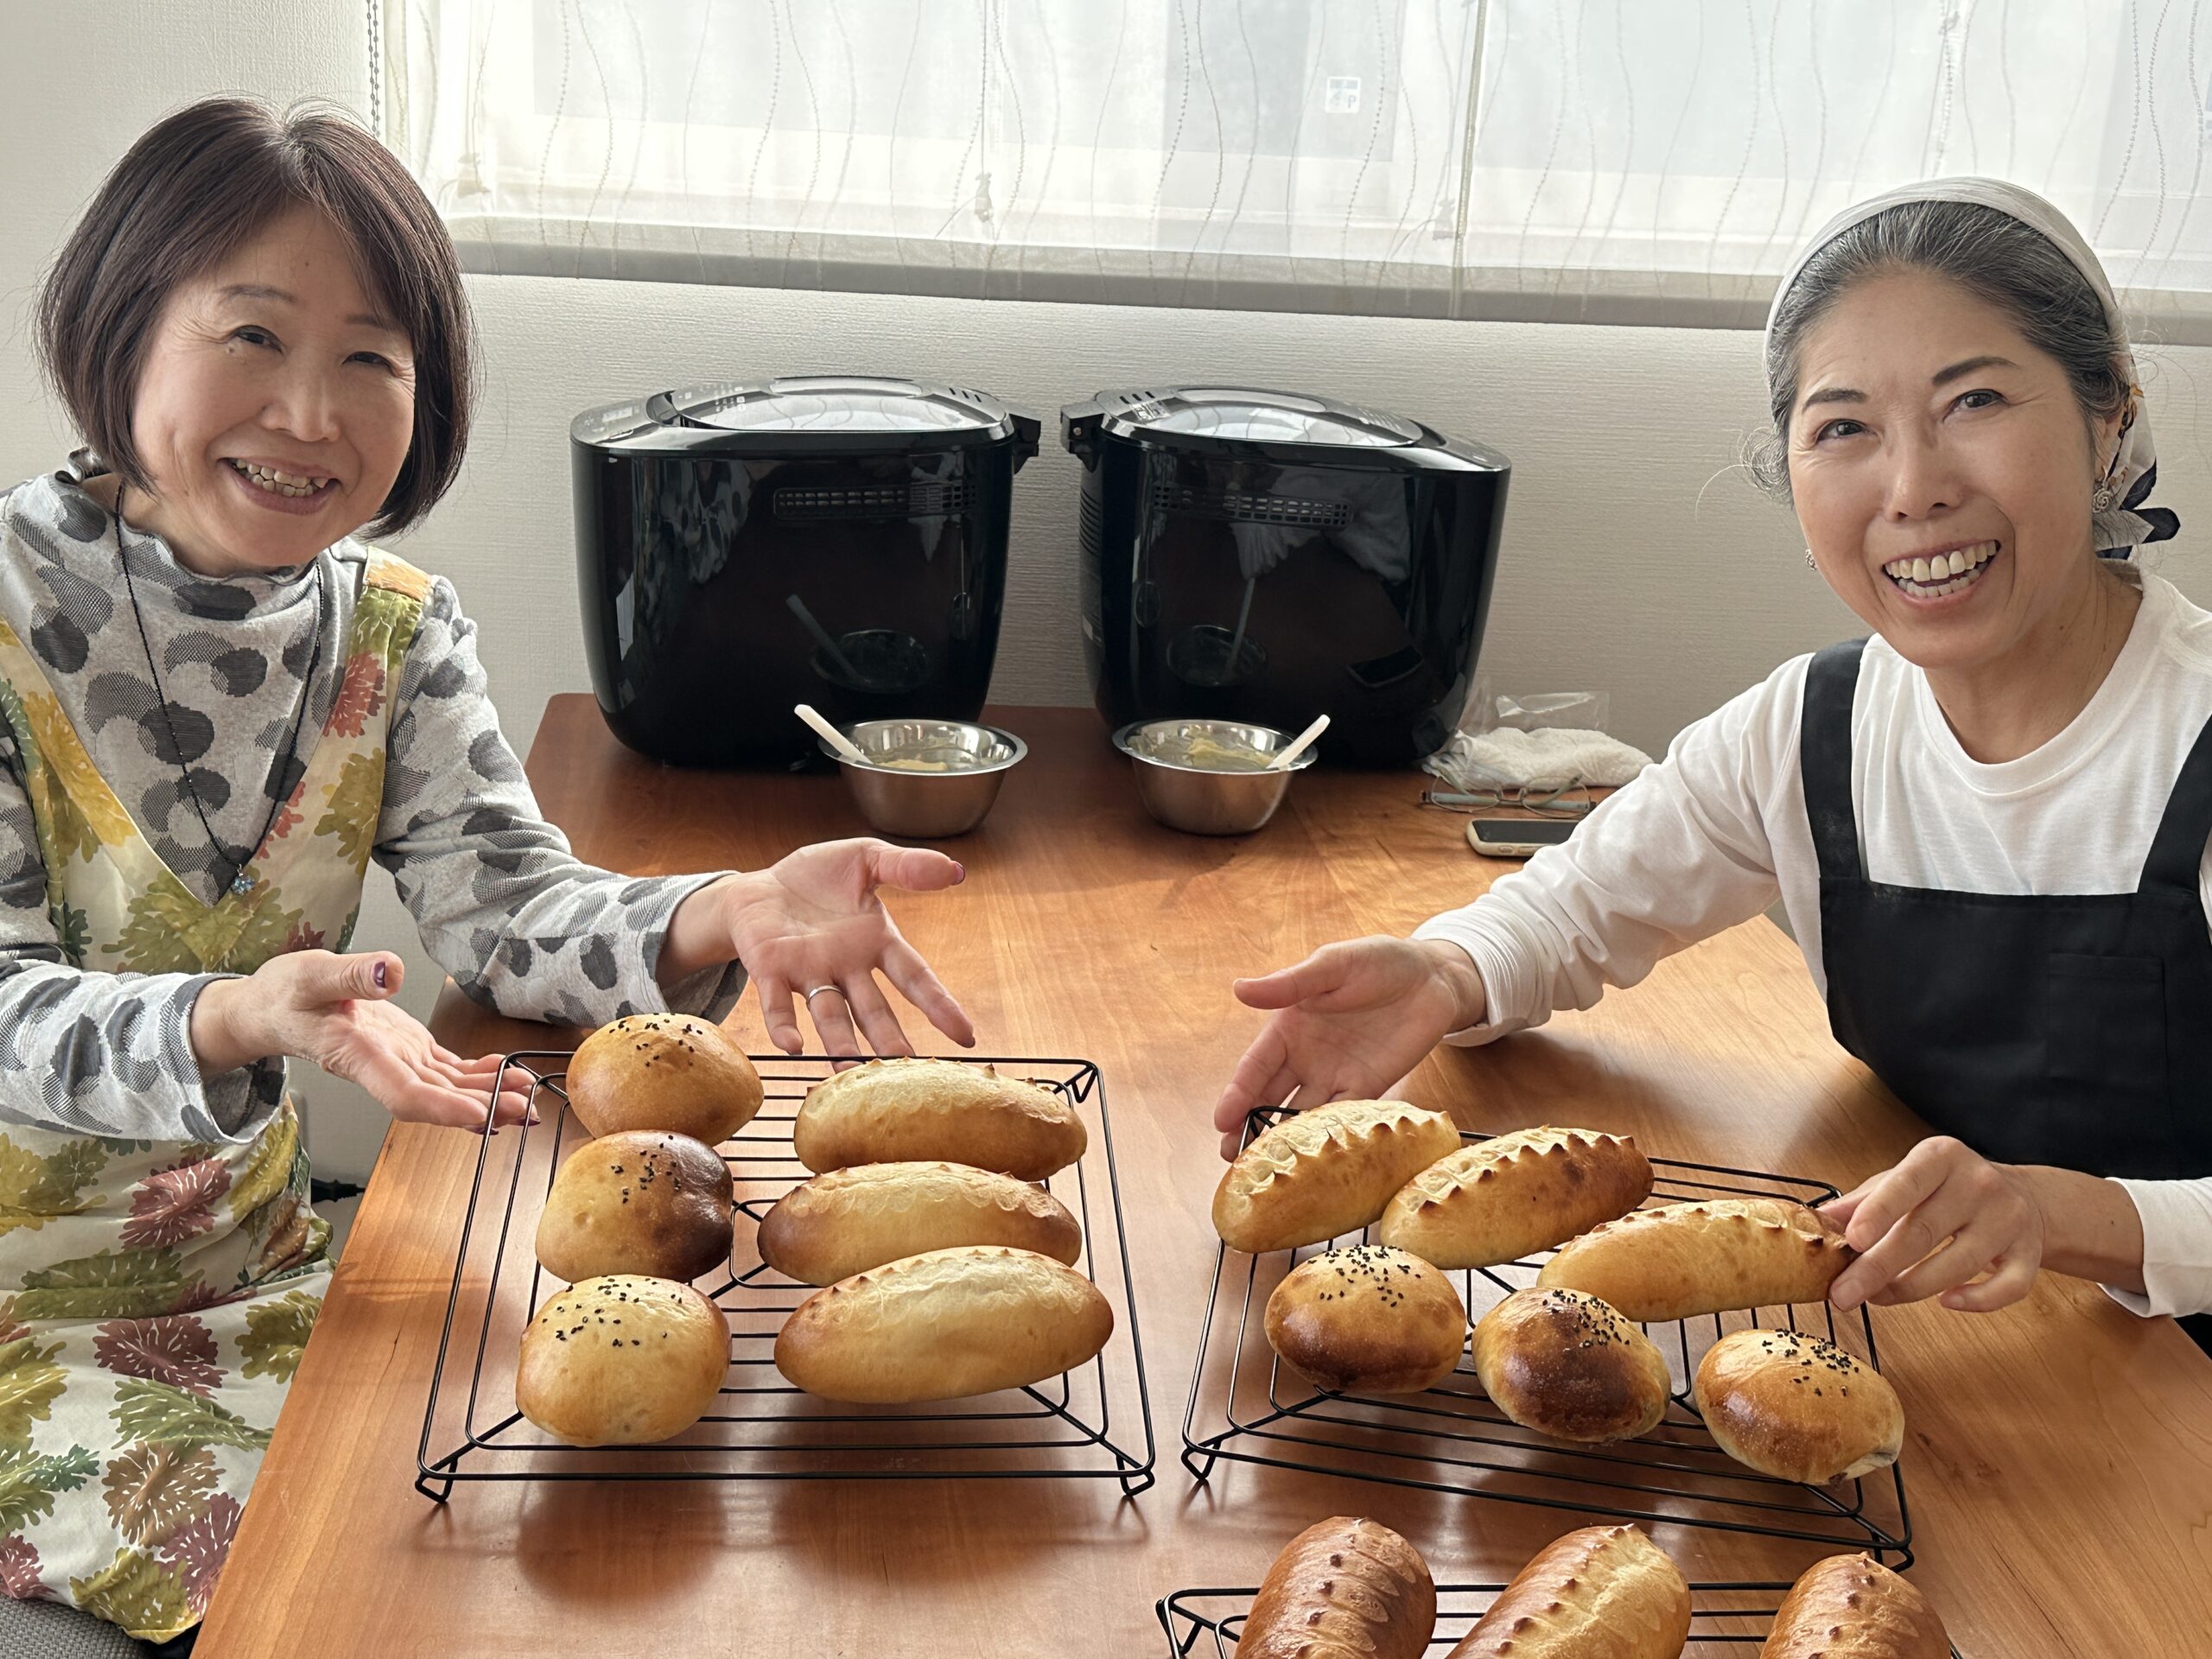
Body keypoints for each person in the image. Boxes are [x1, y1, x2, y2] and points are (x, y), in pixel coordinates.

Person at [0, 98, 972, 1652]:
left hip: (257, 1274)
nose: (310, 411)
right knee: (358, 1587)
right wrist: (239, 1018)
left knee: (594, 1503)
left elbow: (513, 911)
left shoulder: (392, 628)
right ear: (118, 328)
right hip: (20, 1335)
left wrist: (722, 907)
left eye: (372, 359)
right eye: (251, 335)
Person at [1216, 178, 2212, 1356]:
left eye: (1976, 400)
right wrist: (1442, 973)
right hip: (1978, 1347)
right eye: (1844, 427)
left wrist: (2056, 1212)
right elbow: (1576, 909)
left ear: (2111, 415)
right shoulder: (1813, 733)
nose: (1913, 489)